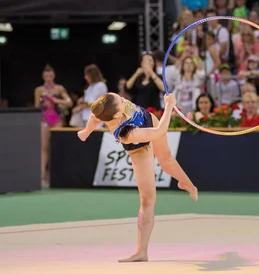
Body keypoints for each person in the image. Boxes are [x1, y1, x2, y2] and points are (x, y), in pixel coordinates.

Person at [77, 93, 198, 262]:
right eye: (121, 102)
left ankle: (189, 185)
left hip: (148, 119)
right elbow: (160, 131)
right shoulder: (125, 133)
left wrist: (86, 131)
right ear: (117, 115)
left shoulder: (109, 100)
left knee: (167, 160)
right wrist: (169, 106)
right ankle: (142, 251)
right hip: (139, 147)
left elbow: (94, 114)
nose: (123, 100)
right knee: (147, 200)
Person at [34, 64, 73, 188]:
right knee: (44, 147)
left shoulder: (59, 89)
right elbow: (35, 107)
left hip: (57, 119)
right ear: (43, 77)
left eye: (50, 76)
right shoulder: (39, 90)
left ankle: (58, 177)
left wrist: (57, 101)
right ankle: (42, 177)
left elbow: (69, 102)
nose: (48, 78)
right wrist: (42, 105)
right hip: (44, 119)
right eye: (46, 76)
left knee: (56, 148)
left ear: (53, 76)